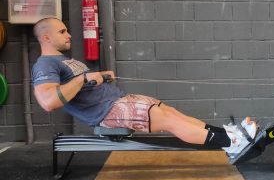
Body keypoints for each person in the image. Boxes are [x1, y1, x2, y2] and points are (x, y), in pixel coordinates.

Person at [31, 17, 257, 158]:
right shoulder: (45, 64)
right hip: (107, 113)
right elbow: (48, 102)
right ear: (47, 37)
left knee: (171, 113)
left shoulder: (62, 61)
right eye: (62, 32)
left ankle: (228, 134)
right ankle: (233, 144)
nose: (68, 34)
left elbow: (83, 82)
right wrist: (84, 79)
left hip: (117, 102)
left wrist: (99, 75)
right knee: (169, 121)